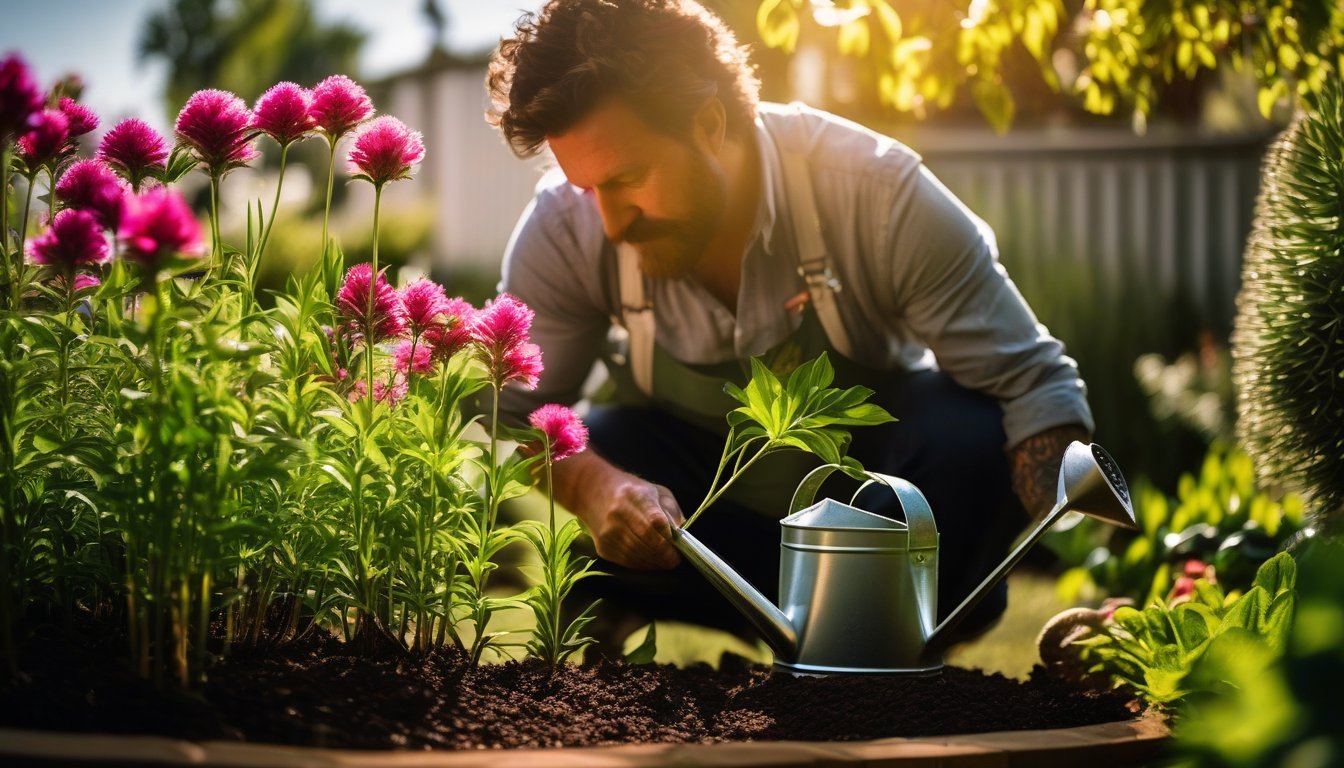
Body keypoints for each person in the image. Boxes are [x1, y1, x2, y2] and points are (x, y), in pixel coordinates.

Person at [485, 0, 1093, 657]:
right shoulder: (562, 229)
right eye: (587, 188)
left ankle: (877, 651)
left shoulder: (877, 194)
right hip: (699, 536)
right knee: (600, 440)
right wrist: (599, 489)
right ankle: (620, 610)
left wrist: (1102, 573)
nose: (609, 223)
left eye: (629, 179)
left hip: (870, 531)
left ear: (710, 123)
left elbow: (1035, 389)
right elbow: (515, 410)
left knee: (967, 430)